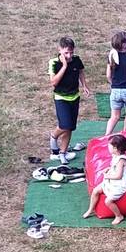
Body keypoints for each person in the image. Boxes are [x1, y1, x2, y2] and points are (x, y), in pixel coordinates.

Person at [47, 36, 90, 165]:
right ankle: (54, 136)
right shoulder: (54, 62)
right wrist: (64, 66)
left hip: (74, 96)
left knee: (70, 126)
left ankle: (62, 152)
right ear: (59, 50)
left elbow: (81, 72)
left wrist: (84, 86)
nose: (69, 55)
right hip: (61, 97)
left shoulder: (77, 60)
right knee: (64, 124)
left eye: (71, 52)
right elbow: (53, 82)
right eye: (66, 52)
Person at [82, 134, 126, 225]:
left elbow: (119, 176)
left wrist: (107, 176)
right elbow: (113, 166)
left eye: (109, 146)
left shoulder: (121, 160)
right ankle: (91, 209)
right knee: (95, 191)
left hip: (120, 183)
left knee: (108, 201)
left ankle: (119, 216)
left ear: (115, 148)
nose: (108, 147)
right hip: (114, 179)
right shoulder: (115, 156)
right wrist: (109, 169)